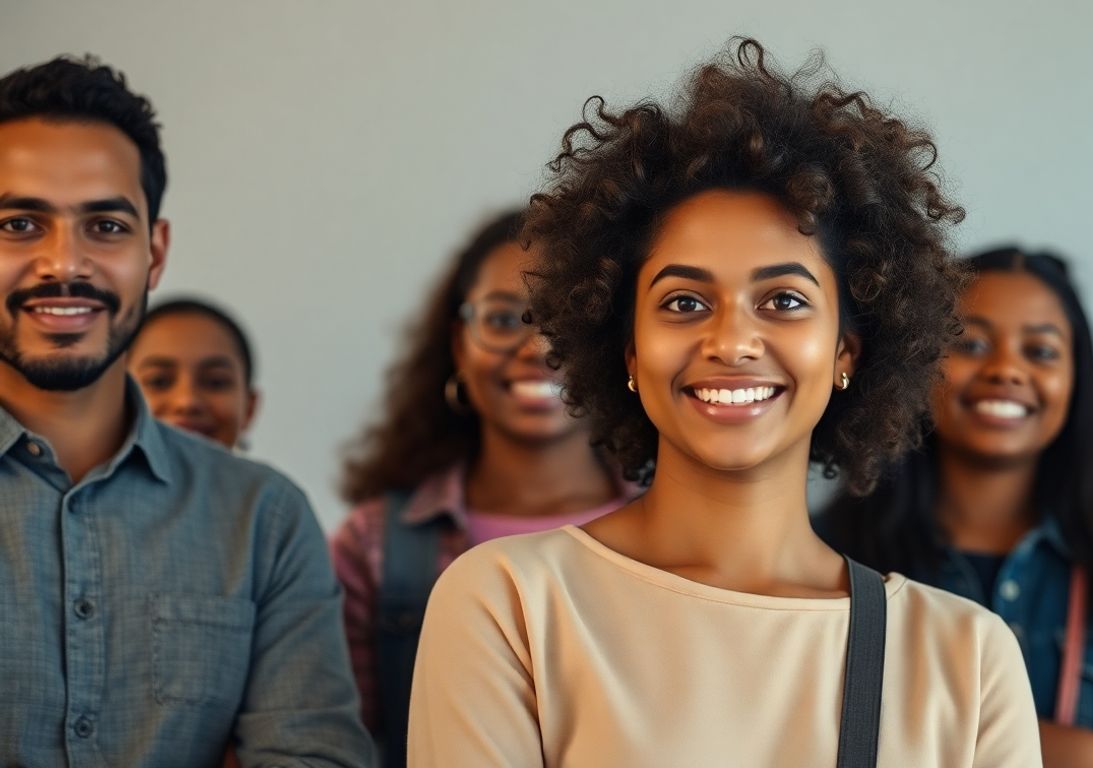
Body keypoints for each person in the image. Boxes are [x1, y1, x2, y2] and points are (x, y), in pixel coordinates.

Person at [409, 39, 1041, 766]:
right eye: (683, 301)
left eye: (783, 300)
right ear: (628, 350)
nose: (732, 340)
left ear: (847, 349)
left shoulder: (966, 658)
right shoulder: (511, 605)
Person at [0, 57, 371, 766]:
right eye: (20, 223)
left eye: (105, 225)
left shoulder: (263, 519)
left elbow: (311, 756)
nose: (62, 264)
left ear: (155, 253)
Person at [822, 247, 1093, 768]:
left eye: (1040, 352)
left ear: (1076, 381)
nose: (1005, 370)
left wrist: (1080, 755)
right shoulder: (831, 556)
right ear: (919, 362)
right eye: (970, 342)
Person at [332, 209, 635, 765]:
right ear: (458, 341)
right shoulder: (372, 547)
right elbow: (337, 746)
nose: (537, 347)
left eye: (567, 317)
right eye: (502, 320)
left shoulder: (683, 527)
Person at [129, 297, 259, 450]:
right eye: (159, 381)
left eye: (215, 382)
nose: (187, 402)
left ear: (249, 408)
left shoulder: (270, 475)